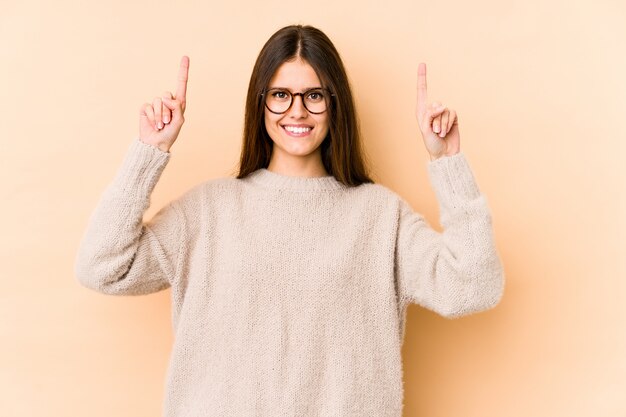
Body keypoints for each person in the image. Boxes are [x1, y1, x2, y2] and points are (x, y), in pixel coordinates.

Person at [75, 24, 504, 417]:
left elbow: (473, 286)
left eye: (314, 95)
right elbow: (103, 268)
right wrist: (148, 152)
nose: (296, 111)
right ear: (260, 103)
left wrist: (448, 163)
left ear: (335, 105)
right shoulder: (208, 211)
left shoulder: (379, 216)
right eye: (281, 95)